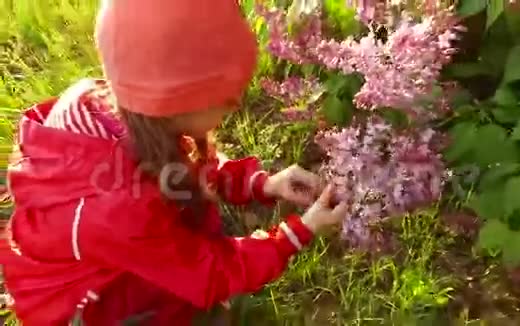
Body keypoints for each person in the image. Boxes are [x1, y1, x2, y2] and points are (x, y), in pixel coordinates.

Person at [0, 0, 349, 324]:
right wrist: (299, 231)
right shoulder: (120, 210)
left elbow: (183, 164)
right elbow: (210, 273)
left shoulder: (123, 105)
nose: (238, 106)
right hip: (76, 305)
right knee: (178, 297)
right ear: (177, 106)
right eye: (228, 99)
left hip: (110, 244)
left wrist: (261, 183)